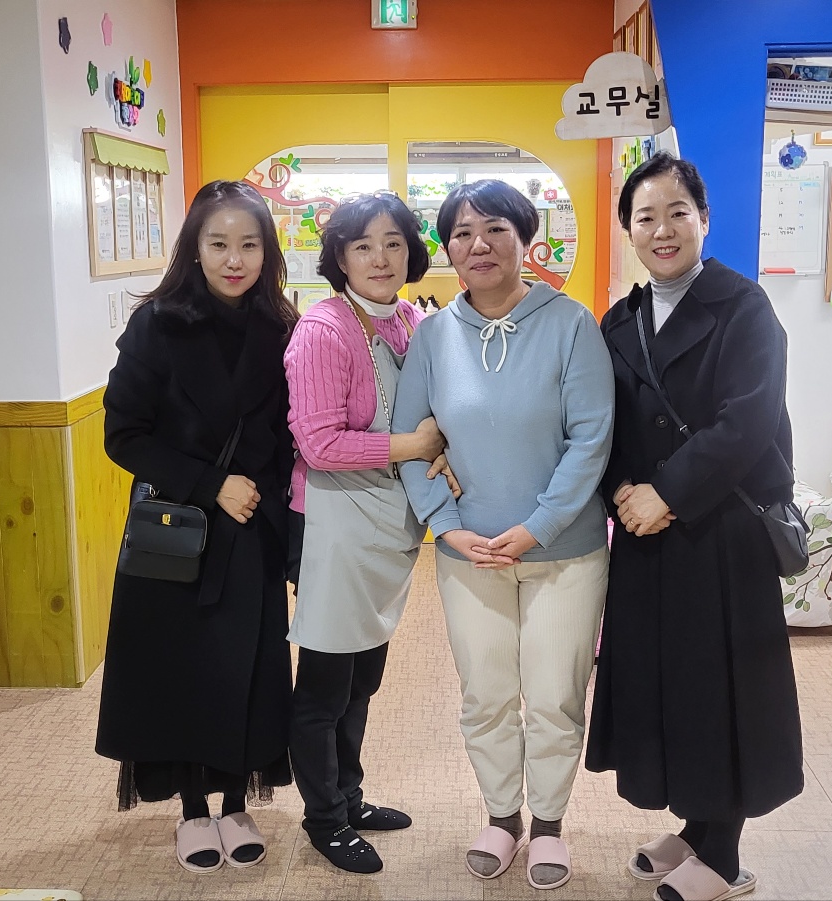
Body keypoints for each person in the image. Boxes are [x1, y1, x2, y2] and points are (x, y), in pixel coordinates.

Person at [585, 152, 803, 901]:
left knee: (722, 687)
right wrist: (620, 487)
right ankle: (696, 825)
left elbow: (747, 421)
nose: (663, 229)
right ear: (628, 230)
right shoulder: (620, 320)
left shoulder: (744, 308)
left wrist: (668, 493)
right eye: (645, 217)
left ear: (704, 219)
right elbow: (603, 421)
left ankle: (726, 852)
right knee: (669, 683)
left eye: (678, 212)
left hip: (720, 531)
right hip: (645, 535)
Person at [393, 179, 614, 891]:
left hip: (564, 550)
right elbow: (414, 442)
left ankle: (548, 825)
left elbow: (591, 439)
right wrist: (446, 527)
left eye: (494, 228)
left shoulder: (571, 323)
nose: (477, 245)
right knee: (485, 693)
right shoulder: (432, 336)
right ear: (447, 248)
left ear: (526, 239)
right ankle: (501, 816)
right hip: (468, 554)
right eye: (461, 232)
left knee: (553, 695)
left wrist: (538, 526)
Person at [95, 180, 299, 876]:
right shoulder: (157, 323)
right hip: (180, 530)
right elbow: (123, 434)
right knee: (179, 668)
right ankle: (190, 808)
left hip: (254, 528)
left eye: (249, 245)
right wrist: (212, 484)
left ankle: (236, 801)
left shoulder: (283, 326)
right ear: (194, 248)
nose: (234, 259)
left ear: (267, 252)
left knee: (248, 667)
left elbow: (290, 433)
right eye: (218, 244)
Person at [282, 191, 445, 874]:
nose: (380, 258)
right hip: (331, 524)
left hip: (385, 525)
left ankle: (349, 796)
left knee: (363, 679)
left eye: (393, 243)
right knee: (325, 684)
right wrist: (415, 446)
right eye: (362, 245)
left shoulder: (410, 320)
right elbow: (319, 444)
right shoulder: (323, 330)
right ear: (339, 257)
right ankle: (324, 818)